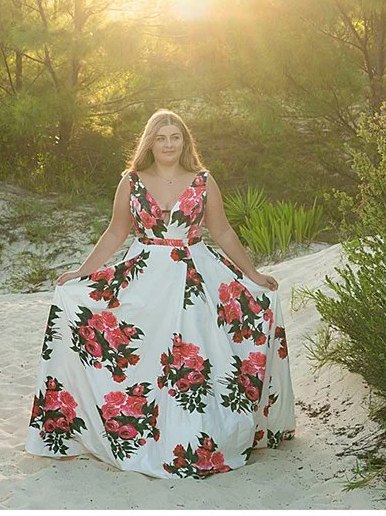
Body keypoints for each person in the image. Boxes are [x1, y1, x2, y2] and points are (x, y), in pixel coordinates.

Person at [25, 109, 295, 479]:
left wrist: (253, 274)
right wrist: (82, 273)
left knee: (193, 362)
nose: (169, 144)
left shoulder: (202, 180)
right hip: (145, 277)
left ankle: (196, 442)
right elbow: (115, 234)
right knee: (147, 360)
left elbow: (223, 232)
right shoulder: (132, 181)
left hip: (194, 277)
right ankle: (141, 439)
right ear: (149, 142)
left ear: (185, 142)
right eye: (161, 138)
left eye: (175, 137)